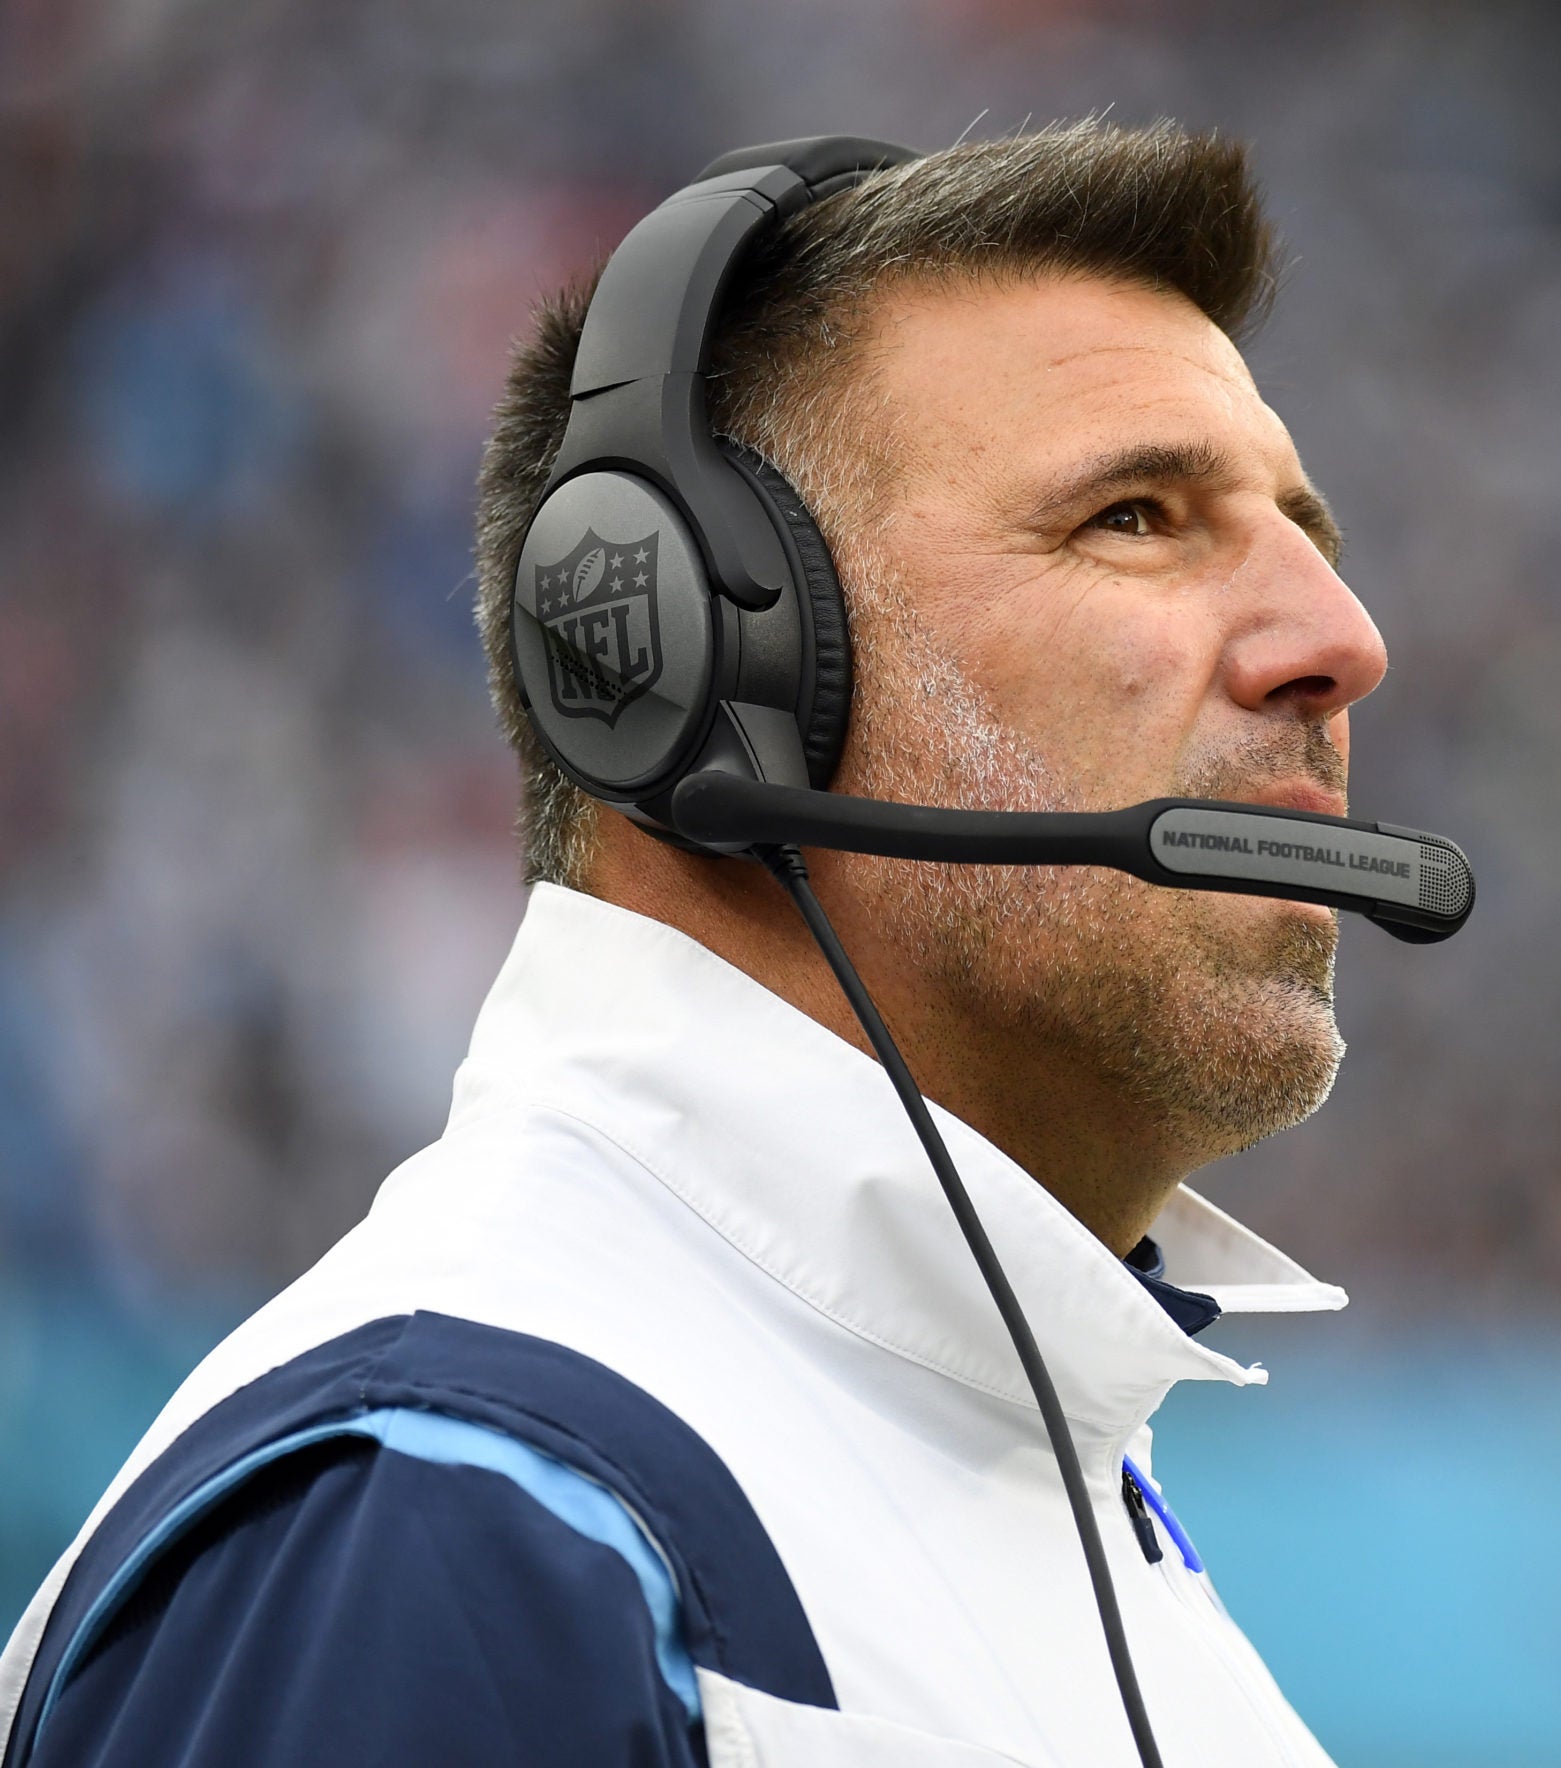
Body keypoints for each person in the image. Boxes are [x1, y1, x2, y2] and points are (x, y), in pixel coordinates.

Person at [1, 120, 1390, 1767]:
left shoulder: (1081, 1530)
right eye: (1138, 517)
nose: (1340, 642)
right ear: (682, 665)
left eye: (1308, 535)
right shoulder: (447, 1523)